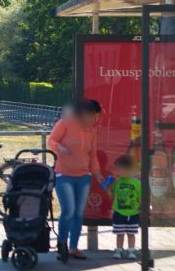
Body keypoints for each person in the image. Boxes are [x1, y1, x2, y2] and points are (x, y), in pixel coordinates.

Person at [48, 99, 103, 260]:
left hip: (84, 176)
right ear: (84, 114)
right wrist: (59, 147)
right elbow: (51, 140)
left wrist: (97, 173)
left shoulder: (91, 132)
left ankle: (73, 247)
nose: (95, 120)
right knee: (68, 210)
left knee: (78, 213)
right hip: (63, 174)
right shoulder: (65, 123)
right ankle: (62, 243)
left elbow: (92, 155)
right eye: (93, 116)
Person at [106, 154, 141, 260]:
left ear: (130, 169)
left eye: (121, 169)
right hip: (119, 212)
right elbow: (113, 196)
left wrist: (141, 208)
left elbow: (140, 197)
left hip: (133, 213)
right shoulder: (117, 182)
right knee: (119, 233)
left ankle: (131, 250)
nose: (119, 172)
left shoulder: (137, 183)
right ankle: (119, 249)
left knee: (131, 233)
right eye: (118, 169)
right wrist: (108, 188)